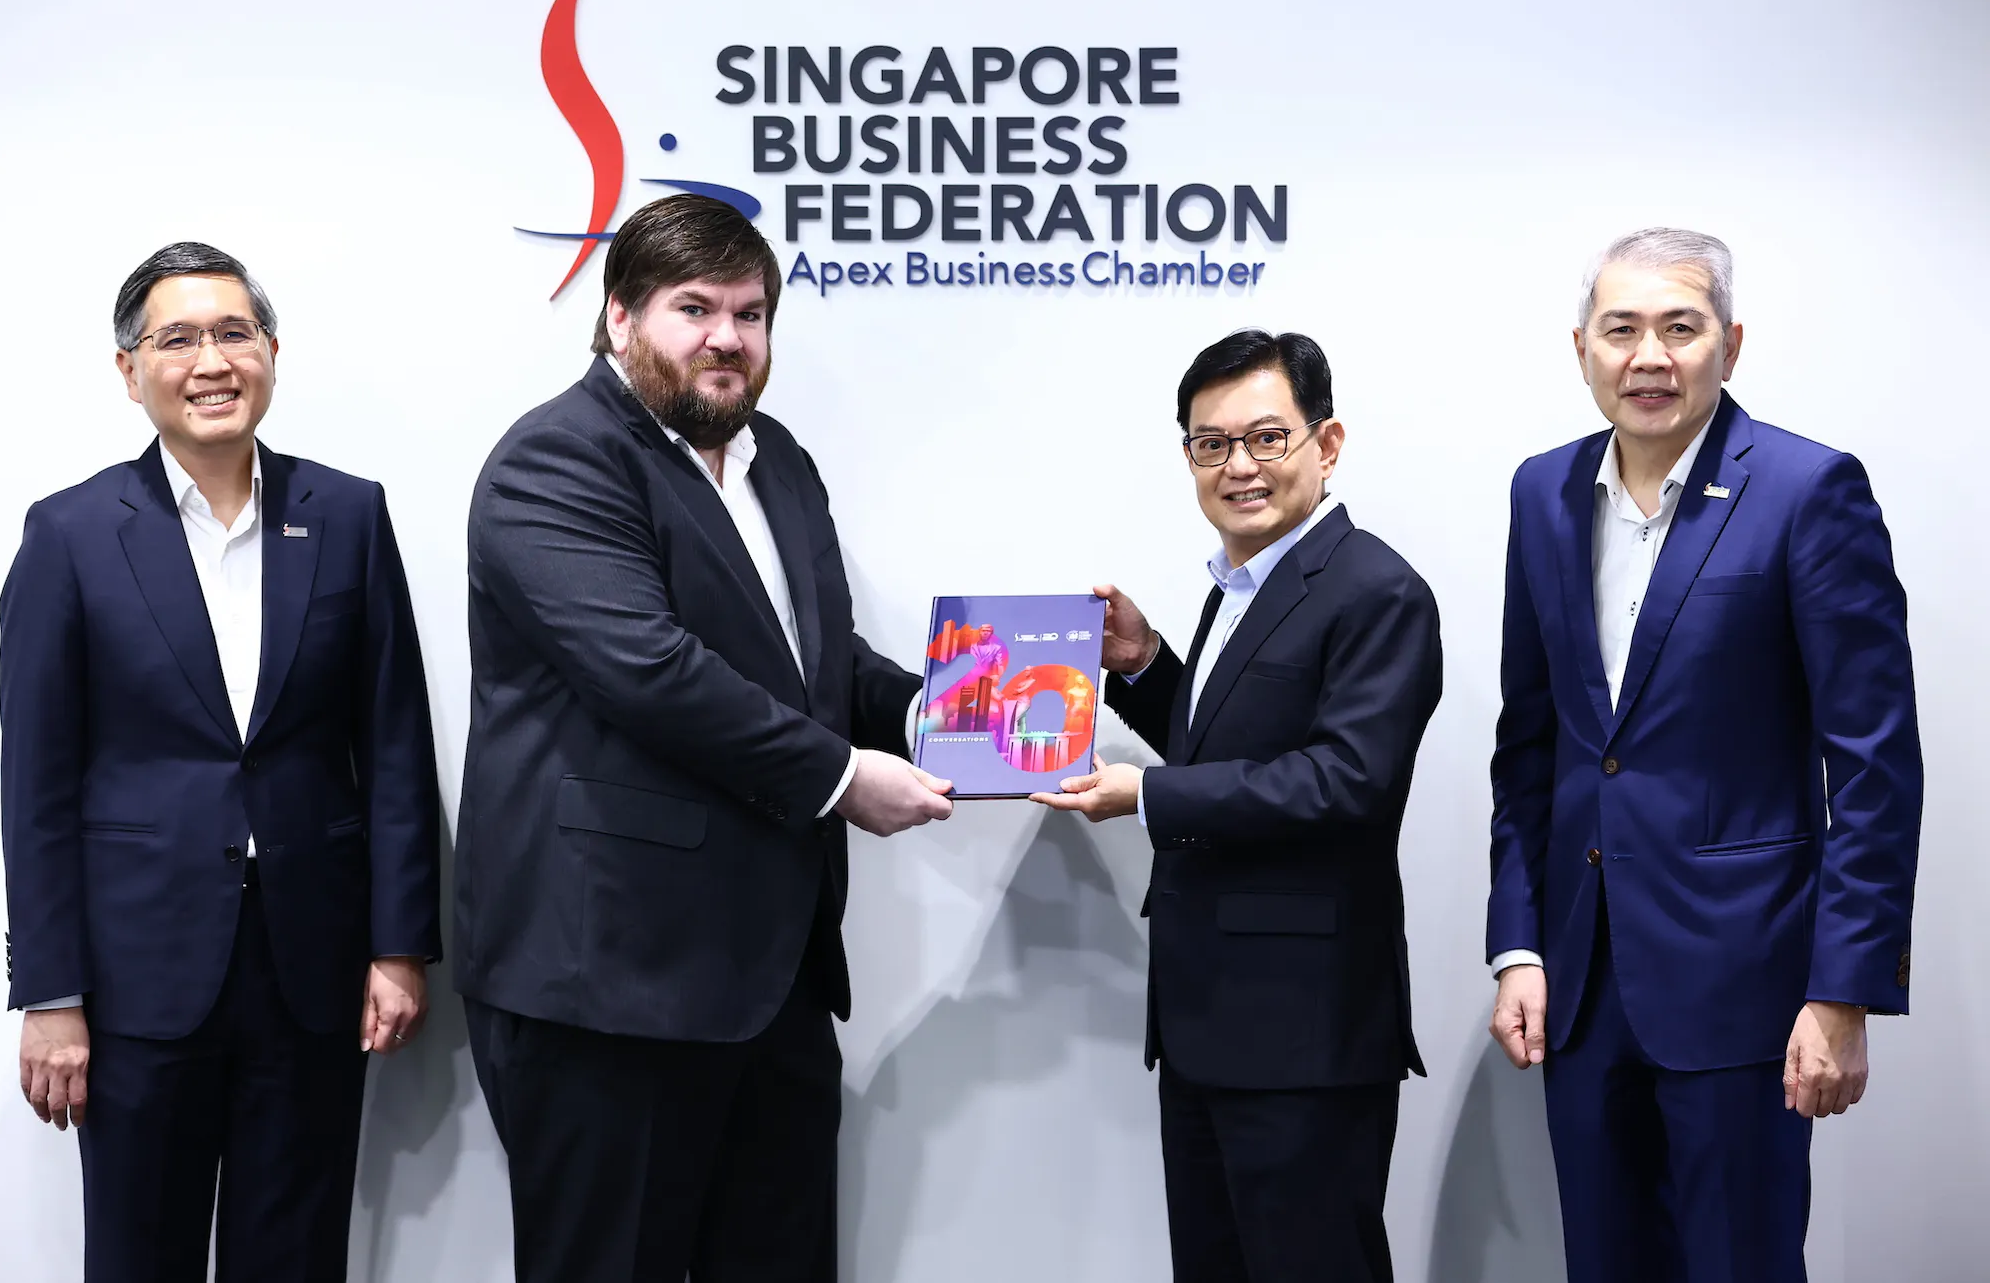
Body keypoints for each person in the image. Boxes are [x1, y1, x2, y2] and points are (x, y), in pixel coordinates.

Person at [455, 192, 952, 1283]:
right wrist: (838, 776)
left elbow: (814, 664)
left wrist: (943, 715)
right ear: (619, 316)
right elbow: (649, 670)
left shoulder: (777, 461)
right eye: (695, 308)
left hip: (770, 978)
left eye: (751, 312)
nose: (729, 337)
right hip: (609, 981)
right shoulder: (556, 461)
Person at [1484, 227, 1923, 1282]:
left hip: (1744, 986)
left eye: (1678, 328)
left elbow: (1870, 764)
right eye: (1620, 329)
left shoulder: (1806, 490)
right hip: (1581, 988)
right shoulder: (1539, 494)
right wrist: (1518, 943)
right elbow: (1529, 743)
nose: (1648, 357)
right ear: (1579, 347)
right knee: (1604, 1263)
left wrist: (1841, 992)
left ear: (1728, 343)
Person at [0, 241, 441, 1282]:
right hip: (136, 972)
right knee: (138, 1254)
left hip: (314, 965)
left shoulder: (346, 515)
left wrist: (400, 944)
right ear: (129, 370)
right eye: (178, 338)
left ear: (272, 354)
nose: (211, 361)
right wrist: (50, 992)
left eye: (233, 333)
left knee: (294, 1253)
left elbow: (392, 742)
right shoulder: (69, 534)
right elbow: (38, 789)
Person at [1034, 329, 1441, 1283]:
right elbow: (1233, 739)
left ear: (1327, 444)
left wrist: (1147, 797)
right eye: (1210, 444)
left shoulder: (1377, 589)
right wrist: (1141, 667)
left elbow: (1348, 780)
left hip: (1306, 1032)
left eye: (1267, 437)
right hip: (1210, 1021)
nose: (1239, 466)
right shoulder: (1241, 583)